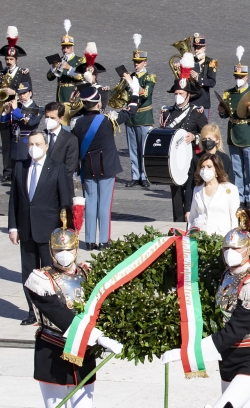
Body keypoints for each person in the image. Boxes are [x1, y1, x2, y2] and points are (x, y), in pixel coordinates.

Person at [162, 199, 250, 408]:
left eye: (235, 248)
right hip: (229, 358)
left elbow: (233, 332)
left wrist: (186, 355)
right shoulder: (227, 276)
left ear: (248, 250)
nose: (229, 253)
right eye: (226, 248)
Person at [25, 210, 122, 408]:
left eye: (69, 249)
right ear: (51, 250)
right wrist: (99, 337)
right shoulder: (40, 279)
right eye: (59, 250)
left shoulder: (87, 273)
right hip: (53, 351)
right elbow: (61, 316)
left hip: (84, 352)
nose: (64, 254)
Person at [8, 130, 72, 326]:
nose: (33, 148)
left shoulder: (57, 168)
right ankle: (32, 311)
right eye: (30, 145)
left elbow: (65, 202)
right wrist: (13, 227)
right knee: (28, 272)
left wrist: (65, 231)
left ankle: (51, 313)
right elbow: (14, 200)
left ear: (46, 146)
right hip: (26, 229)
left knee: (49, 274)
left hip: (49, 231)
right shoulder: (20, 167)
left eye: (37, 144)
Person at [73, 81, 140, 250]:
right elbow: (130, 110)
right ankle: (103, 240)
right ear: (99, 103)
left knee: (90, 203)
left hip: (88, 166)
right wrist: (134, 93)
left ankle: (89, 241)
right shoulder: (108, 119)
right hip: (107, 166)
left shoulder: (76, 123)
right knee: (104, 204)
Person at [218, 47, 250, 206]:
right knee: (237, 169)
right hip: (234, 132)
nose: (238, 79)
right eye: (236, 76)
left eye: (241, 76)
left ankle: (249, 196)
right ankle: (238, 196)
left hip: (248, 132)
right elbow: (226, 113)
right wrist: (221, 111)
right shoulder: (228, 93)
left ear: (247, 77)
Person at [160, 58, 207, 222]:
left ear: (188, 95)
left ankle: (191, 220)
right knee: (176, 193)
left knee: (191, 191)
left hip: (191, 159)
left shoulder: (196, 113)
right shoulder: (168, 113)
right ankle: (177, 221)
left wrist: (195, 137)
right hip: (174, 159)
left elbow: (208, 135)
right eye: (176, 94)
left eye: (181, 94)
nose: (178, 96)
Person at [0, 26, 32, 184]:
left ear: (16, 60)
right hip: (3, 112)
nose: (8, 62)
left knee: (17, 141)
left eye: (11, 60)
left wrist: (13, 91)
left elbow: (29, 91)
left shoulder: (23, 73)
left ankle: (18, 171)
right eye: (7, 59)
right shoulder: (0, 73)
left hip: (16, 110)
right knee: (6, 144)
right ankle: (6, 172)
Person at [184, 124, 233, 221]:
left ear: (217, 140)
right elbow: (190, 185)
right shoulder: (196, 158)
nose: (207, 141)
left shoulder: (224, 159)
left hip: (219, 203)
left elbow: (230, 182)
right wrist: (188, 209)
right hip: (200, 203)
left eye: (210, 138)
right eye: (204, 139)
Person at [125, 34, 156, 188]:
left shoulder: (150, 77)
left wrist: (131, 82)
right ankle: (135, 175)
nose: (136, 65)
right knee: (133, 149)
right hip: (131, 117)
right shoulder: (130, 76)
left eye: (139, 62)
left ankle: (144, 176)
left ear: (145, 63)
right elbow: (123, 94)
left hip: (144, 116)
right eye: (135, 62)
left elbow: (145, 93)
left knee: (143, 148)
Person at [0, 81, 41, 188]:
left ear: (30, 93)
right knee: (15, 174)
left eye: (25, 93)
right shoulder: (16, 106)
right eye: (20, 94)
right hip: (15, 143)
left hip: (27, 142)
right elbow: (4, 125)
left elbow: (30, 123)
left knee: (26, 173)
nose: (22, 96)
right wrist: (5, 112)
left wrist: (16, 110)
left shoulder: (36, 108)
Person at [188, 153, 239, 236]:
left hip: (220, 237)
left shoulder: (230, 189)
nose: (205, 170)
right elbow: (192, 216)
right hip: (198, 237)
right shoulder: (197, 189)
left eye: (209, 167)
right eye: (202, 167)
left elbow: (234, 218)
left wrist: (233, 238)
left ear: (217, 169)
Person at [43, 102, 79, 197]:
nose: (48, 120)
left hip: (61, 188)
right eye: (47, 117)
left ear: (61, 118)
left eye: (52, 118)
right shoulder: (39, 136)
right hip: (41, 188)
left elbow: (69, 169)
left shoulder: (70, 139)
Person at [46, 20, 84, 103]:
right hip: (60, 93)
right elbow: (49, 77)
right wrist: (53, 67)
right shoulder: (59, 60)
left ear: (72, 48)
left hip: (72, 92)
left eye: (68, 47)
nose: (65, 50)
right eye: (64, 48)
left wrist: (69, 68)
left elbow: (82, 77)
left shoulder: (80, 60)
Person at [188, 33, 217, 120]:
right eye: (195, 47)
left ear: (204, 48)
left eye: (199, 48)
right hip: (189, 101)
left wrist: (198, 79)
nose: (196, 50)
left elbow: (212, 82)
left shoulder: (212, 62)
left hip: (202, 101)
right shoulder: (188, 61)